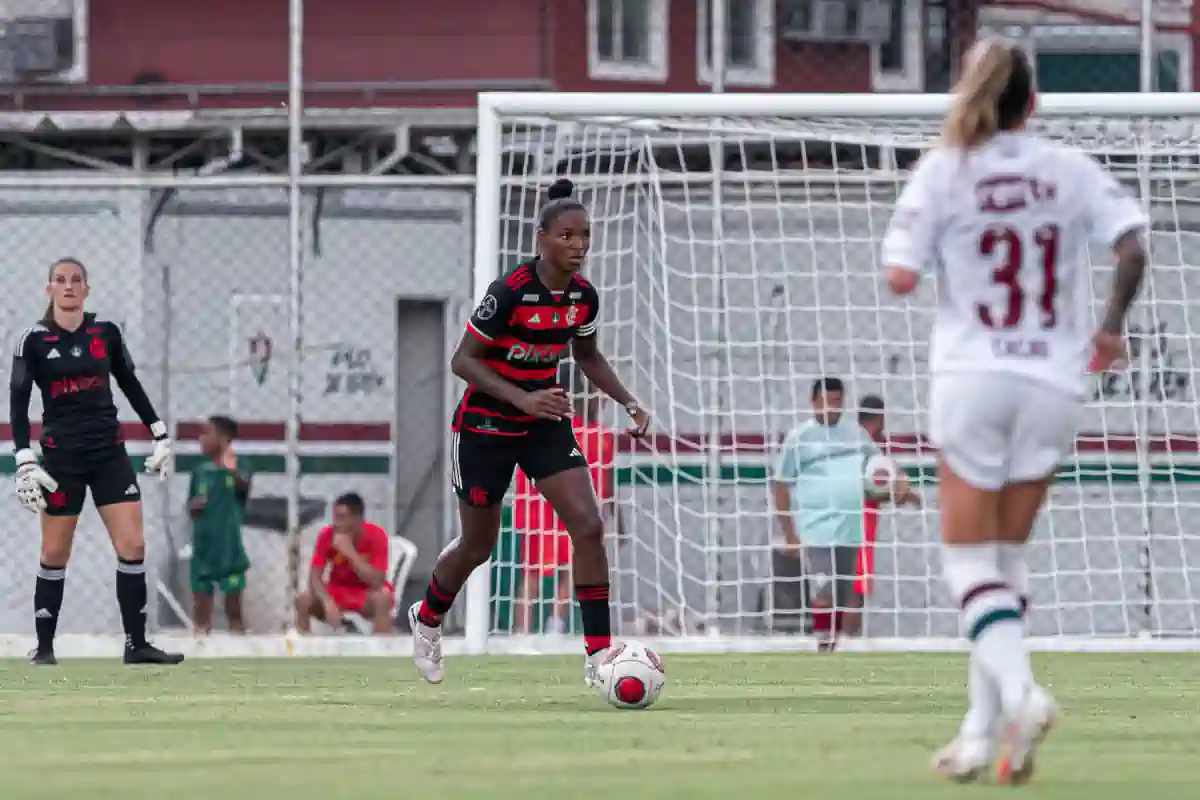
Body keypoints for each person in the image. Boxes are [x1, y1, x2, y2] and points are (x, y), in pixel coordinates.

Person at [882, 38, 1147, 785]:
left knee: (969, 563)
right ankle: (980, 733)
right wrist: (1109, 329)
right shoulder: (1068, 169)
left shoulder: (944, 170)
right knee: (1007, 561)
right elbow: (1132, 247)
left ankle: (1023, 695)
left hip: (973, 374)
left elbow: (900, 277)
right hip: (1055, 381)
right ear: (1033, 104)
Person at [410, 178, 651, 686]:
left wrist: (627, 401)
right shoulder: (509, 293)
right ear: (542, 238)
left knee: (588, 526)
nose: (578, 245)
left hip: (543, 424)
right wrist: (522, 397)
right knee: (479, 546)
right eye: (567, 235)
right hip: (486, 426)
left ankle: (598, 655)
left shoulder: (584, 298)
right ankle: (428, 618)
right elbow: (462, 361)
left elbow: (587, 356)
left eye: (585, 235)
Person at [10, 257, 181, 665]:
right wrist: (24, 459)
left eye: (76, 280)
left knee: (133, 544)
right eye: (60, 280)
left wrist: (159, 432)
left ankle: (136, 645)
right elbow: (18, 405)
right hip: (60, 458)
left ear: (87, 288)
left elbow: (130, 383)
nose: (68, 286)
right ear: (49, 288)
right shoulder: (32, 340)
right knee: (54, 552)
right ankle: (45, 648)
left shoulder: (106, 334)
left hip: (109, 453)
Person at [771, 378, 917, 651]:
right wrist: (790, 533)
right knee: (824, 591)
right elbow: (780, 483)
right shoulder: (799, 438)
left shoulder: (856, 434)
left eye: (838, 401)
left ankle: (838, 648)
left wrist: (903, 486)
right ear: (814, 402)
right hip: (815, 529)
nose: (832, 407)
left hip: (851, 529)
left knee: (848, 595)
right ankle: (825, 648)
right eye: (827, 401)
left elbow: (881, 467)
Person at [514, 375, 622, 635]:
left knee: (560, 569)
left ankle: (543, 627)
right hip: (547, 512)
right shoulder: (562, 431)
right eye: (601, 395)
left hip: (563, 512)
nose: (604, 400)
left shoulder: (599, 437)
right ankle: (532, 628)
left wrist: (615, 517)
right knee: (543, 572)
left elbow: (605, 484)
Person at [295, 492, 394, 634]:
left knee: (383, 597)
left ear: (357, 519)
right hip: (337, 591)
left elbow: (377, 581)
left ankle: (383, 650)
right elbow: (314, 578)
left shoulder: (376, 535)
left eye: (342, 518)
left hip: (364, 593)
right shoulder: (327, 535)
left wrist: (350, 553)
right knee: (303, 600)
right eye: (335, 518)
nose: (337, 523)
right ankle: (303, 651)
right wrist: (327, 601)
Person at [188, 415, 251, 634]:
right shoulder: (200, 470)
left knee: (234, 610)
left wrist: (231, 469)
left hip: (228, 550)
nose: (201, 438)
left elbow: (244, 488)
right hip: (204, 549)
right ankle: (200, 643)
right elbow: (191, 506)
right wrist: (194, 506)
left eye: (206, 432)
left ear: (223, 438)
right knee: (201, 611)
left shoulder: (239, 465)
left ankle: (238, 644)